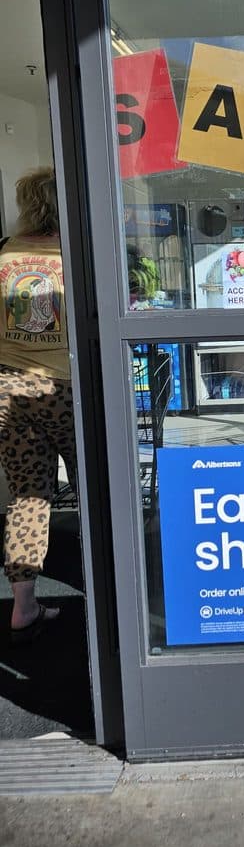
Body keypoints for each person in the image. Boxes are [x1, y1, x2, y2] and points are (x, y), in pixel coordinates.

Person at [0, 167, 76, 643]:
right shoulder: (74, 254)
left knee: (28, 496)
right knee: (98, 487)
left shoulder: (3, 251)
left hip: (9, 388)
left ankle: (23, 607)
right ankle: (115, 594)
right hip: (65, 388)